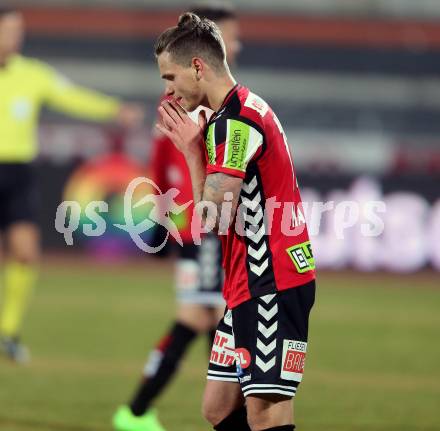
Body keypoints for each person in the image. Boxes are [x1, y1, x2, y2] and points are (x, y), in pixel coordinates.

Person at [155, 12, 316, 431]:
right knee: (219, 407)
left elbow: (211, 218)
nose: (167, 89)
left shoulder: (234, 123)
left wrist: (192, 152)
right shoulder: (237, 109)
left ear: (197, 67)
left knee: (266, 411)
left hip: (272, 281)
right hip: (248, 281)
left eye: (170, 77)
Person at [112, 4, 241, 431]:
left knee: (208, 318)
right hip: (202, 225)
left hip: (200, 223)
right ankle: (138, 411)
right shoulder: (189, 100)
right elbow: (168, 161)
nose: (237, 44)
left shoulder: (209, 100)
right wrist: (167, 216)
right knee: (213, 317)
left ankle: (139, 410)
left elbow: (159, 160)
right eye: (231, 36)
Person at [0, 7, 144, 363]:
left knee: (25, 252)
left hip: (18, 173)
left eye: (19, 29)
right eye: (9, 29)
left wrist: (114, 110)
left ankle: (8, 332)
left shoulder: (31, 74)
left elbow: (73, 96)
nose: (16, 36)